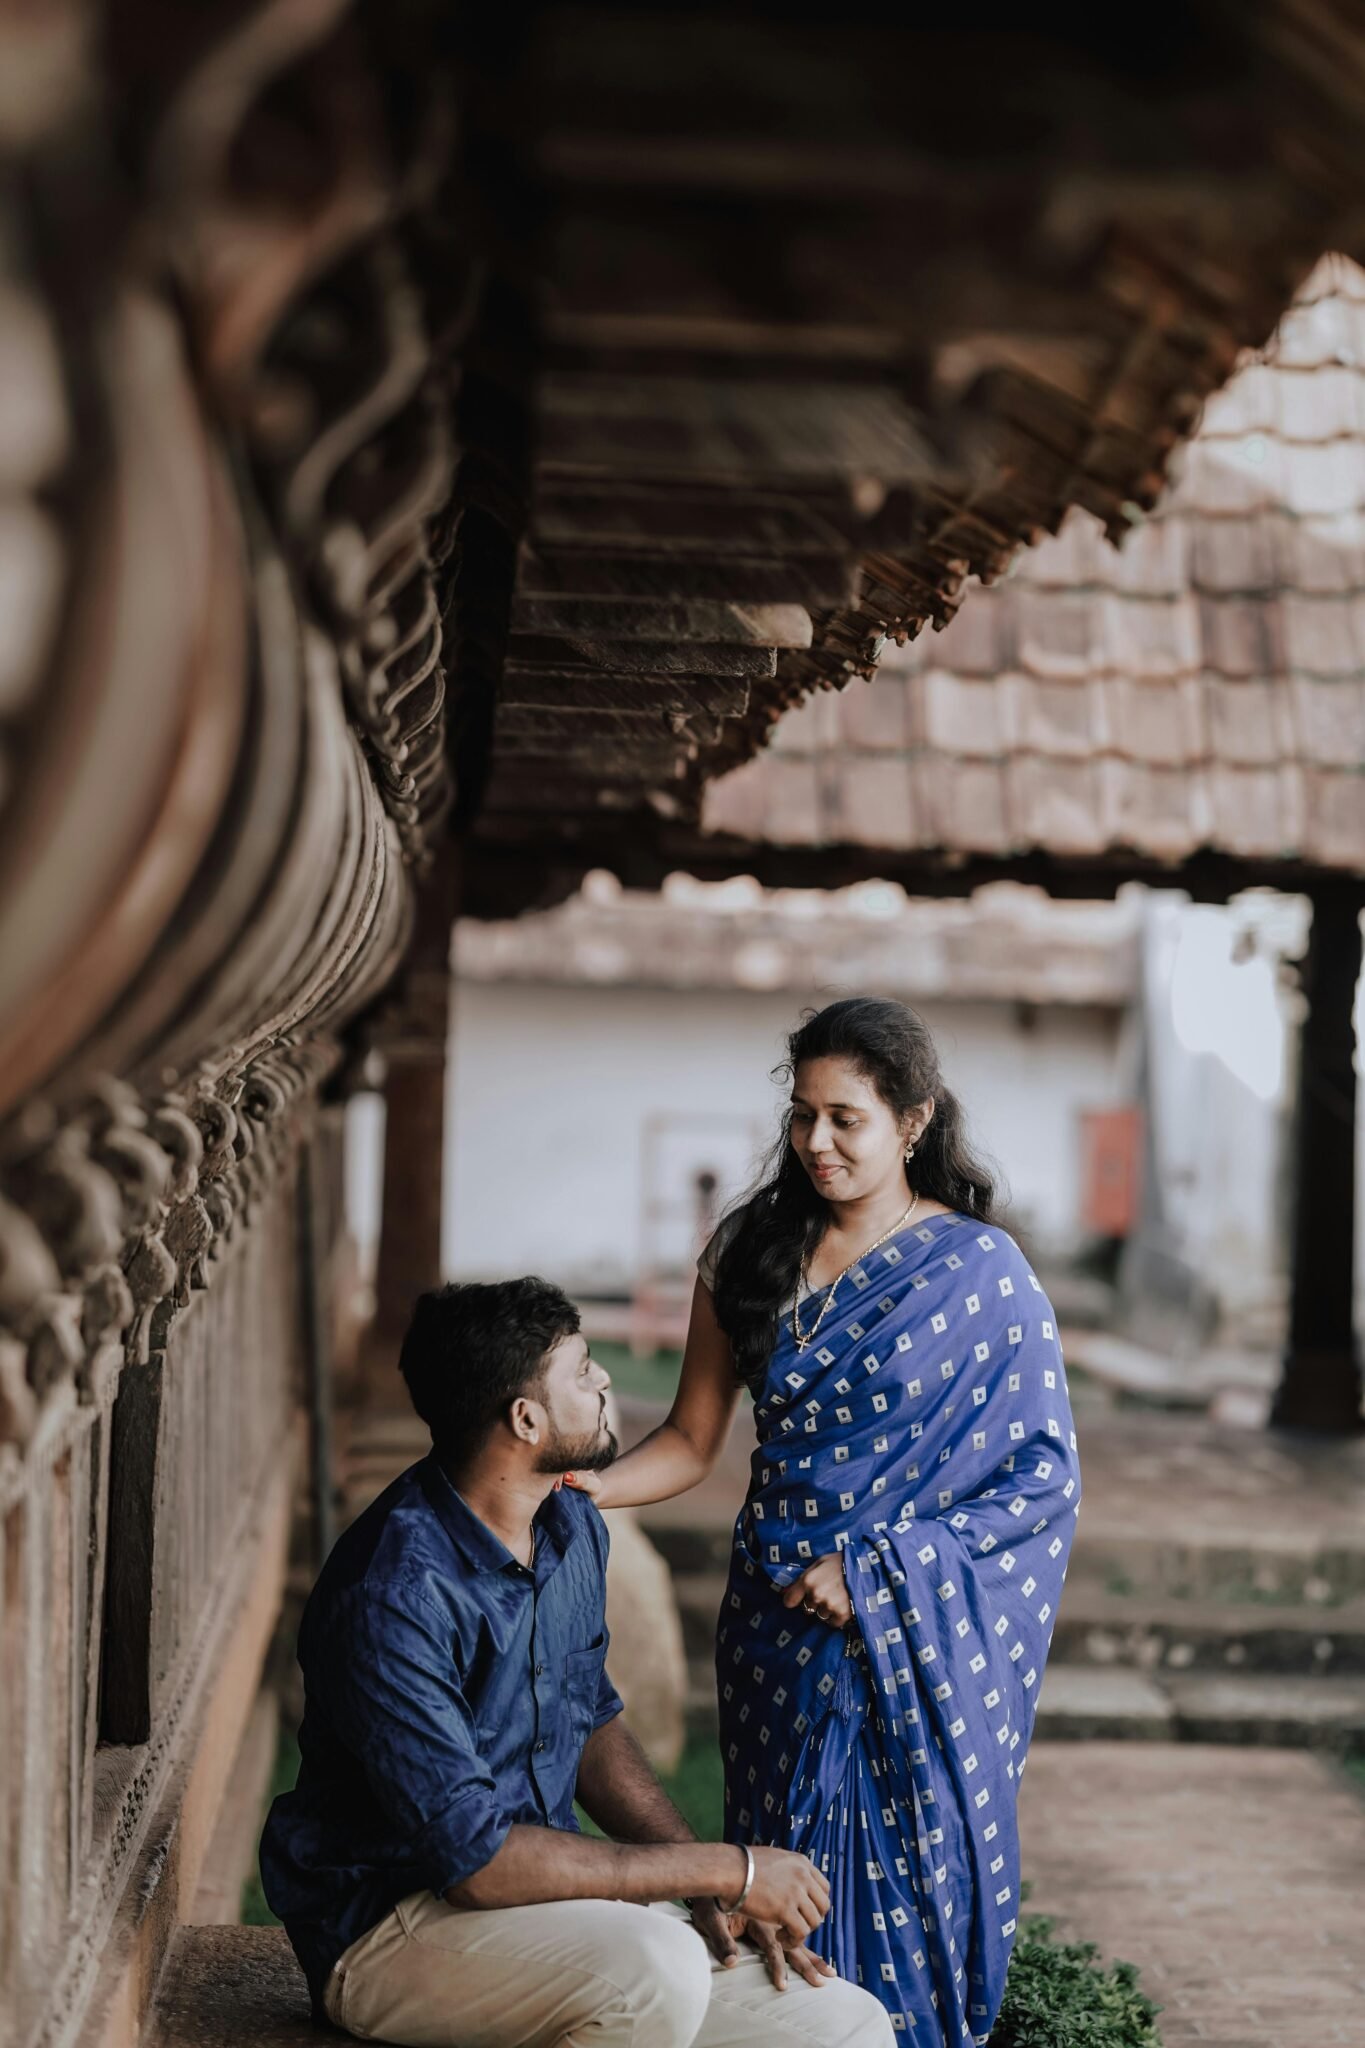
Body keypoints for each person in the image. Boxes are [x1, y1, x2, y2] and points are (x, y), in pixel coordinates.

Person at [568, 998, 1081, 2046]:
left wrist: (881, 1573)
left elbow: (1039, 1481)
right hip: (778, 1637)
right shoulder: (749, 1250)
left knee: (905, 1887)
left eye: (846, 1118)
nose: (816, 1141)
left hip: (903, 1643)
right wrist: (584, 1489)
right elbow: (692, 1439)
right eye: (803, 1114)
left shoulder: (981, 1272)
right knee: (781, 1896)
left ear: (913, 1121)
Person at [260, 1275, 895, 2048]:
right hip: (388, 1927)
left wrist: (696, 1881)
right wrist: (728, 1868)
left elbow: (589, 1718)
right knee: (654, 1967)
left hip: (545, 1909)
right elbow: (476, 1862)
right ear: (524, 1419)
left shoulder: (567, 1524)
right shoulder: (392, 1594)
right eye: (583, 1369)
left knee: (842, 2024)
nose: (603, 1384)